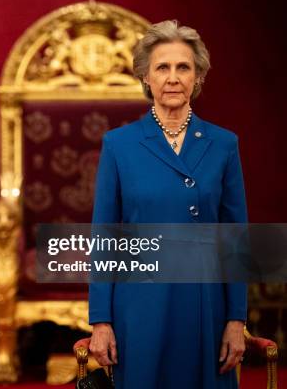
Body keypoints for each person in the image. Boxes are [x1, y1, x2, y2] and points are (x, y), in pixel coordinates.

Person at [88, 20, 247, 388]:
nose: (173, 77)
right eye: (162, 67)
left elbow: (236, 239)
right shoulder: (119, 145)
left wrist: (236, 320)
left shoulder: (224, 144)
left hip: (206, 301)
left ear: (198, 77)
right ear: (146, 77)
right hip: (141, 302)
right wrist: (101, 321)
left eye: (183, 67)